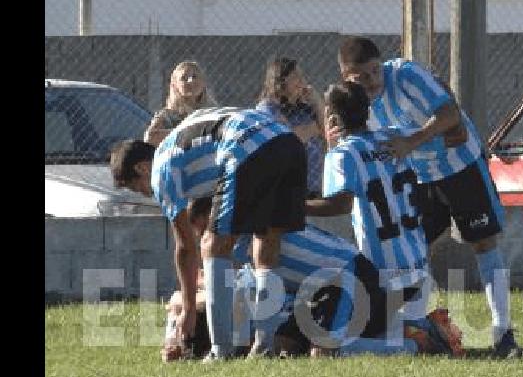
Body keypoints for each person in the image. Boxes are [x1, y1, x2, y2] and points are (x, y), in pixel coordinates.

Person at [335, 36, 520, 358]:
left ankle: (503, 333)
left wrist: (413, 141)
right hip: (419, 176)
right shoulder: (354, 102)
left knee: (483, 241)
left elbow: (451, 116)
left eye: (375, 72)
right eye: (361, 77)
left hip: (460, 165)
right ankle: (419, 328)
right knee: (415, 250)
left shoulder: (406, 76)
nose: (372, 82)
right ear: (345, 77)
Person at [110, 106, 307, 361]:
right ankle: (263, 346)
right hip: (287, 142)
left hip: (244, 147)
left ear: (141, 168)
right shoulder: (181, 139)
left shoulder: (160, 170)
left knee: (212, 247)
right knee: (267, 241)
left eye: (136, 188)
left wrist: (189, 308)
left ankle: (220, 350)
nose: (145, 194)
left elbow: (185, 247)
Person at [186, 196, 462, 358]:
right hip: (328, 290)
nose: (205, 241)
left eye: (203, 231)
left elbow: (230, 291)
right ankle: (417, 325)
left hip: (347, 279)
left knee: (327, 352)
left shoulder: (244, 239)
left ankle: (416, 343)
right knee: (287, 345)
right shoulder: (247, 236)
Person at [306, 82, 462, 356]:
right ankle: (424, 329)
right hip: (419, 268)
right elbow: (454, 134)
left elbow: (341, 203)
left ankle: (416, 343)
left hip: (380, 277)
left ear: (331, 116)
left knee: (327, 343)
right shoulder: (396, 136)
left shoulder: (343, 155)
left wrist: (294, 207)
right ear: (368, 111)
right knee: (381, 327)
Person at [255, 57, 326, 197]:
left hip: (312, 185)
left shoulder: (303, 107)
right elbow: (289, 140)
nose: (301, 80)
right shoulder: (267, 107)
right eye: (295, 77)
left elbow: (327, 131)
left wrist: (317, 101)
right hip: (285, 188)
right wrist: (313, 128)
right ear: (280, 81)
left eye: (301, 75)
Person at [144, 60, 217, 146]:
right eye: (184, 78)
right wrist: (189, 132)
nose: (191, 81)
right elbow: (150, 138)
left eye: (195, 76)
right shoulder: (167, 115)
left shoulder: (214, 112)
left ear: (203, 83)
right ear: (175, 86)